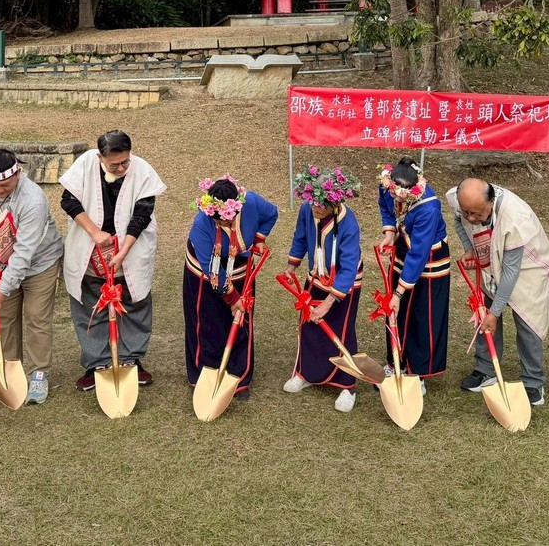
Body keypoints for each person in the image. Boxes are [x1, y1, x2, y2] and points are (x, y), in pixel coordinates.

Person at [60, 130, 166, 391]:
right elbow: (68, 201)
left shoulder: (141, 170)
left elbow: (143, 214)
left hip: (131, 245)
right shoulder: (85, 163)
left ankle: (131, 360)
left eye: (125, 162)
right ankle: (96, 362)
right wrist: (95, 233)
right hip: (89, 243)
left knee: (133, 301)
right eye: (114, 164)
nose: (121, 168)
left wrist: (124, 250)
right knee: (90, 304)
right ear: (100, 157)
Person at [450, 178, 549, 407]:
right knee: (483, 315)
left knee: (528, 324)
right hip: (489, 259)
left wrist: (495, 312)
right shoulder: (459, 201)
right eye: (466, 211)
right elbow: (458, 220)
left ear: (491, 201)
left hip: (528, 268)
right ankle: (485, 369)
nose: (471, 218)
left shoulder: (515, 217)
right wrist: (469, 248)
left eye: (476, 214)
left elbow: (510, 273)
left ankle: (533, 381)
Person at [0, 148, 65, 405]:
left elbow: (24, 254)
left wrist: (1, 289)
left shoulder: (33, 200)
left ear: (18, 174)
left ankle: (38, 373)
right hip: (2, 262)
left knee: (37, 316)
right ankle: (8, 368)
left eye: (5, 185)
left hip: (39, 263)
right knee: (5, 318)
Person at [184, 176, 278, 400]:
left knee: (241, 322)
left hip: (241, 267)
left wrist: (259, 239)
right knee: (207, 323)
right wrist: (234, 298)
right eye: (217, 221)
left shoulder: (252, 202)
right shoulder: (201, 224)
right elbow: (212, 269)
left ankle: (239, 376)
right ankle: (205, 373)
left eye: (225, 221)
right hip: (206, 273)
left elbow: (272, 214)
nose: (221, 224)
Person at [283, 165, 362, 412]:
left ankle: (347, 386)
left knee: (341, 332)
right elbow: (300, 237)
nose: (315, 208)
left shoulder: (349, 225)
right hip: (316, 277)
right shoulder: (308, 210)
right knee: (308, 326)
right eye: (313, 202)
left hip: (344, 285)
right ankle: (307, 373)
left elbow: (349, 268)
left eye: (321, 205)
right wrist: (292, 264)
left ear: (335, 204)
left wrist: (328, 303)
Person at [377, 158, 450, 393]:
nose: (396, 199)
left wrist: (399, 291)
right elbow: (384, 206)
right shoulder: (387, 184)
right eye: (394, 194)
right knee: (395, 312)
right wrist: (389, 232)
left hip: (429, 258)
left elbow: (418, 254)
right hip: (401, 247)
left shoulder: (429, 207)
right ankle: (394, 362)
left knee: (421, 315)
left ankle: (418, 373)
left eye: (402, 197)